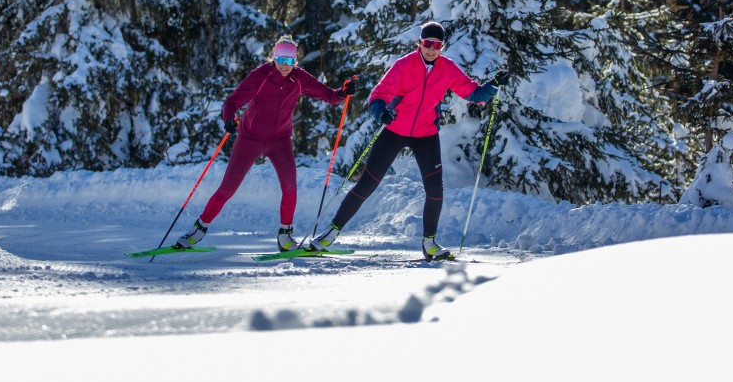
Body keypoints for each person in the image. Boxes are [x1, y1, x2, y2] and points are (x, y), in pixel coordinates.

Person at [307, 21, 506, 261]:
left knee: (435, 190)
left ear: (443, 46)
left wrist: (493, 85)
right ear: (419, 43)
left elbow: (472, 93)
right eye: (427, 43)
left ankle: (430, 243)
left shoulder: (448, 68)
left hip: (425, 134)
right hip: (395, 130)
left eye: (437, 44)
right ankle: (330, 234)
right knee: (367, 184)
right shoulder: (404, 65)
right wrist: (382, 113)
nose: (431, 48)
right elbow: (378, 96)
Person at [174, 36, 357, 252]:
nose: (284, 66)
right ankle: (198, 230)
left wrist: (342, 93)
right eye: (280, 59)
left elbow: (329, 95)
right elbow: (231, 103)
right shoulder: (260, 76)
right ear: (273, 58)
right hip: (249, 139)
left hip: (280, 141)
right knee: (227, 189)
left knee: (290, 187)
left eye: (289, 61)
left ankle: (285, 235)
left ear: (295, 61)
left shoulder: (299, 78)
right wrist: (229, 119)